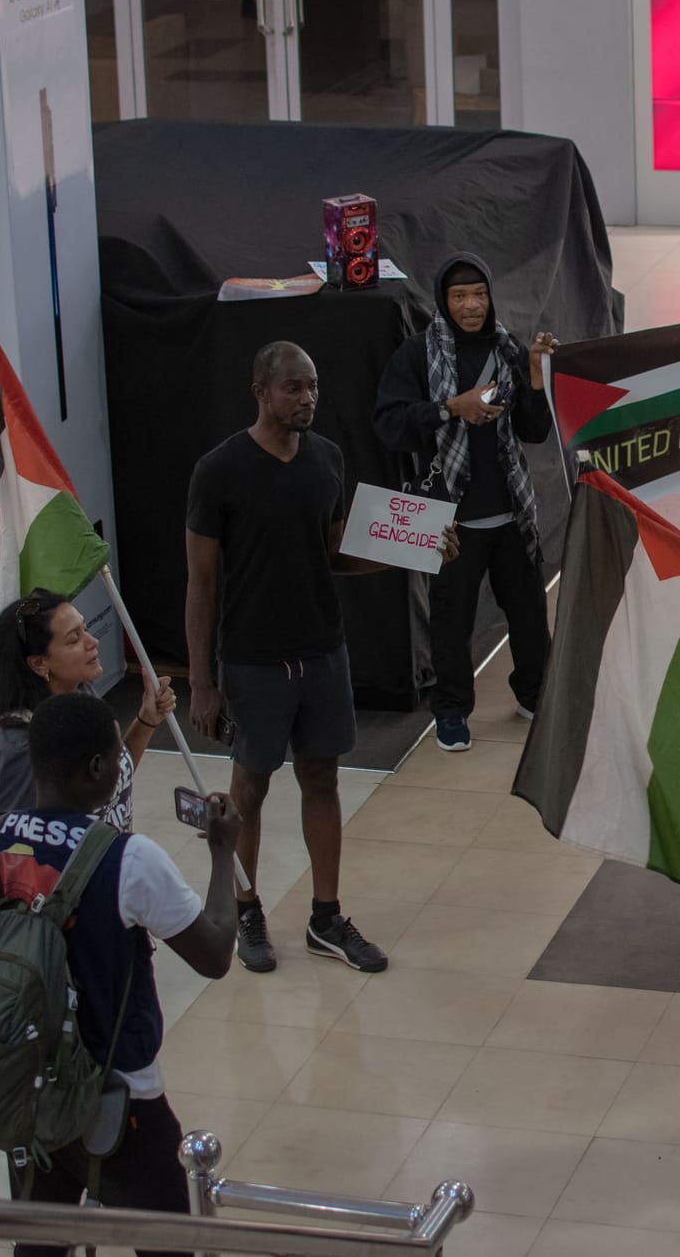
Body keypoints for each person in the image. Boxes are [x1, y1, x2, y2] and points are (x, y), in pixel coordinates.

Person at [186, 341, 456, 976]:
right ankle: (246, 907)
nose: (307, 398)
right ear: (260, 391)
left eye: (312, 387)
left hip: (323, 654)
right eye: (293, 388)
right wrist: (202, 681)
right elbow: (200, 582)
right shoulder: (218, 470)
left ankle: (325, 917)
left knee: (322, 780)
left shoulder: (327, 459)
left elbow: (337, 551)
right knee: (248, 788)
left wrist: (414, 549)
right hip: (252, 660)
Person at [0, 691, 239, 1256]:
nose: (121, 768)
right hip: (119, 1097)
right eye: (117, 759)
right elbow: (214, 956)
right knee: (167, 1245)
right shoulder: (128, 859)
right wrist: (220, 854)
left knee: (40, 1243)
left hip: (23, 1087)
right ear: (96, 768)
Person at [373, 252, 557, 750]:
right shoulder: (417, 354)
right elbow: (389, 425)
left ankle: (534, 695)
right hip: (450, 518)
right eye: (460, 296)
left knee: (529, 615)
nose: (472, 305)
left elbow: (534, 431)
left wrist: (536, 378)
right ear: (443, 301)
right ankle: (451, 712)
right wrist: (450, 408)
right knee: (451, 623)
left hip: (511, 511)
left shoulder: (509, 349)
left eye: (479, 294)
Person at [0, 589, 179, 932]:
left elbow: (105, 780)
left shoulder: (79, 694)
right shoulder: (18, 746)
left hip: (93, 888)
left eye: (86, 629)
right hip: (49, 917)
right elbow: (16, 855)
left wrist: (146, 720)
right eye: (74, 638)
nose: (93, 642)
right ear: (39, 663)